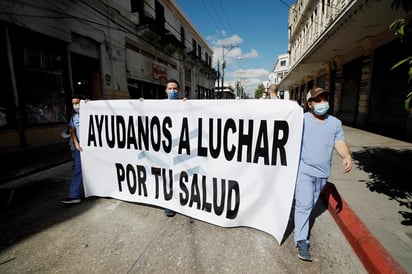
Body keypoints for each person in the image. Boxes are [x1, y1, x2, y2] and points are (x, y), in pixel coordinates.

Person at [294, 87, 352, 261]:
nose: (322, 103)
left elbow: (339, 141)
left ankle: (299, 222)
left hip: (322, 173)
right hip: (303, 171)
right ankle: (301, 240)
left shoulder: (335, 123)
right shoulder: (301, 120)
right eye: (318, 100)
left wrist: (347, 155)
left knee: (310, 204)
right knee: (304, 205)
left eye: (325, 99)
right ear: (310, 104)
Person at [61, 94, 86, 204]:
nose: (75, 105)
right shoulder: (74, 117)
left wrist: (90, 103)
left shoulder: (92, 112)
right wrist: (76, 144)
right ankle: (74, 195)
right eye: (73, 104)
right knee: (78, 170)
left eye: (77, 103)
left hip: (94, 148)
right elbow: (72, 131)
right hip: (80, 148)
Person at [163, 79, 182, 217]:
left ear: (179, 91)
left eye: (175, 89)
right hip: (166, 147)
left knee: (181, 174)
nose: (172, 91)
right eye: (170, 89)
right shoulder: (159, 105)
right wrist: (141, 104)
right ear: (165, 90)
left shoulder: (185, 104)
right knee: (168, 175)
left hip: (181, 146)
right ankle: (169, 204)